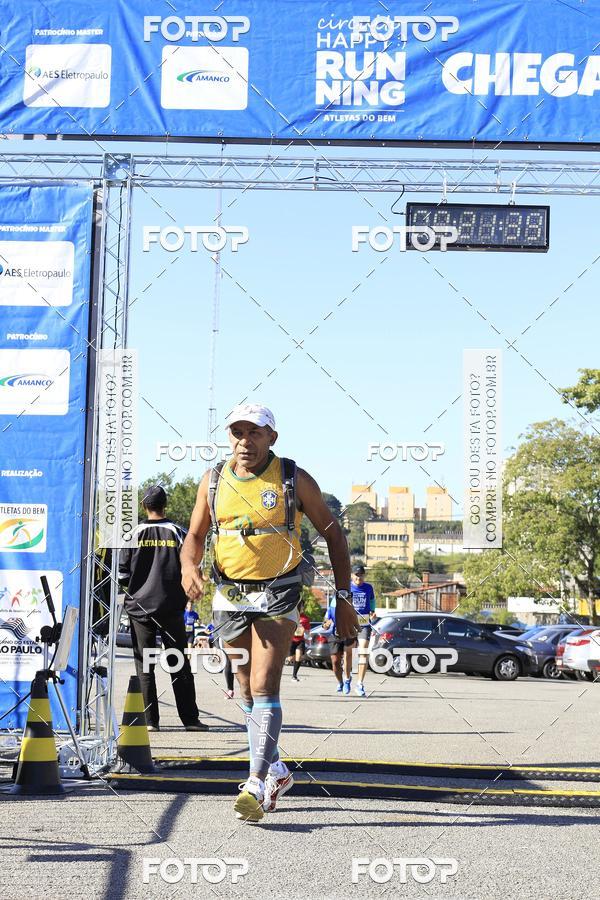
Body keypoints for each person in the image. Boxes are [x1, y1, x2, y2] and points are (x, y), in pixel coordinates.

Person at [181, 403, 358, 822]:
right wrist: (190, 566)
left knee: (263, 684)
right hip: (229, 594)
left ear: (271, 437)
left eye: (255, 433)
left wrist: (344, 599)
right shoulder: (213, 481)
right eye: (238, 432)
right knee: (243, 687)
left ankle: (256, 781)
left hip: (279, 591)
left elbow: (335, 536)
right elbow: (194, 535)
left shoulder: (293, 478)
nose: (245, 441)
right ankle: (277, 769)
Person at [118, 485, 208, 733]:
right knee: (179, 664)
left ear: (143, 506)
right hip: (171, 607)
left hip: (139, 608)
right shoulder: (179, 533)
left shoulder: (131, 534)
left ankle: (150, 722)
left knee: (144, 667)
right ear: (165, 505)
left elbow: (122, 574)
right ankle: (190, 720)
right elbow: (191, 566)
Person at [350, 565, 377, 697]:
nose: (358, 577)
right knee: (349, 653)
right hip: (349, 623)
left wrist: (372, 612)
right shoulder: (348, 587)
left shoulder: (368, 588)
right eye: (356, 574)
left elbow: (372, 602)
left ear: (364, 576)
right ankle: (347, 677)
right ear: (351, 575)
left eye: (361, 575)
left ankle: (360, 683)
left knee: (363, 652)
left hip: (364, 623)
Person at [324, 597, 355, 694]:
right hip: (335, 635)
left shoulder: (350, 601)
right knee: (335, 661)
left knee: (347, 656)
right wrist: (326, 624)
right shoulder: (332, 603)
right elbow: (325, 623)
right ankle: (340, 682)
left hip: (348, 633)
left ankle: (347, 680)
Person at [290, 601, 311, 682]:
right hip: (291, 640)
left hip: (300, 640)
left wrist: (308, 641)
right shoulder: (292, 616)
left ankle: (294, 676)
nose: (301, 608)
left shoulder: (305, 618)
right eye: (300, 606)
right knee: (290, 658)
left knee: (298, 657)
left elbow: (308, 631)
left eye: (302, 607)